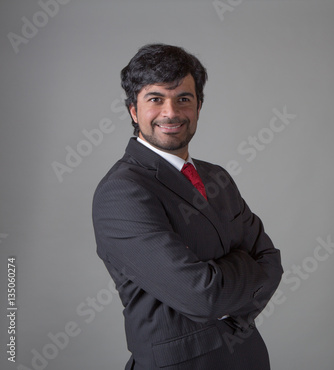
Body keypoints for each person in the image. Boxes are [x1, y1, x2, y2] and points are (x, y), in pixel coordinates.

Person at [92, 44, 283, 370]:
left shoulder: (216, 177)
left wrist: (221, 287)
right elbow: (200, 296)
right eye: (155, 99)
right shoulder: (122, 191)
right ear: (133, 111)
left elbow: (271, 264)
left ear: (197, 107)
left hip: (248, 356)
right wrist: (241, 270)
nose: (171, 112)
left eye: (183, 98)